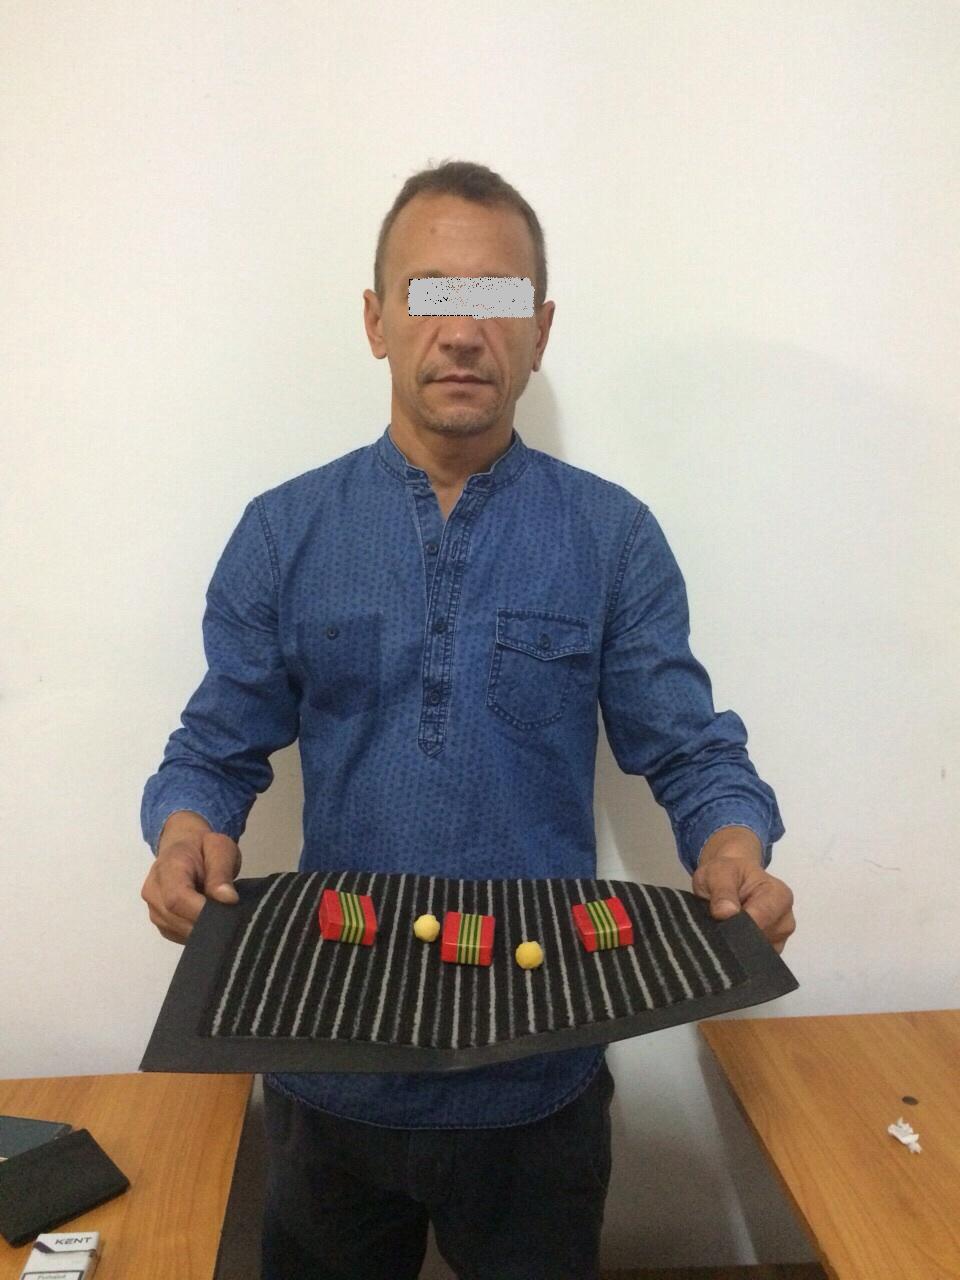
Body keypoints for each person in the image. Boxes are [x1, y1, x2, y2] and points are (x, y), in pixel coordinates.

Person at [139, 159, 795, 1280]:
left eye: (495, 301)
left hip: (539, 1075)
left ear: (539, 331)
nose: (460, 332)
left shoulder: (613, 537)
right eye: (430, 295)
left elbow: (691, 750)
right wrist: (186, 830)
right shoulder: (284, 531)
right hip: (325, 1060)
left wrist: (736, 844)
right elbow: (214, 745)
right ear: (376, 320)